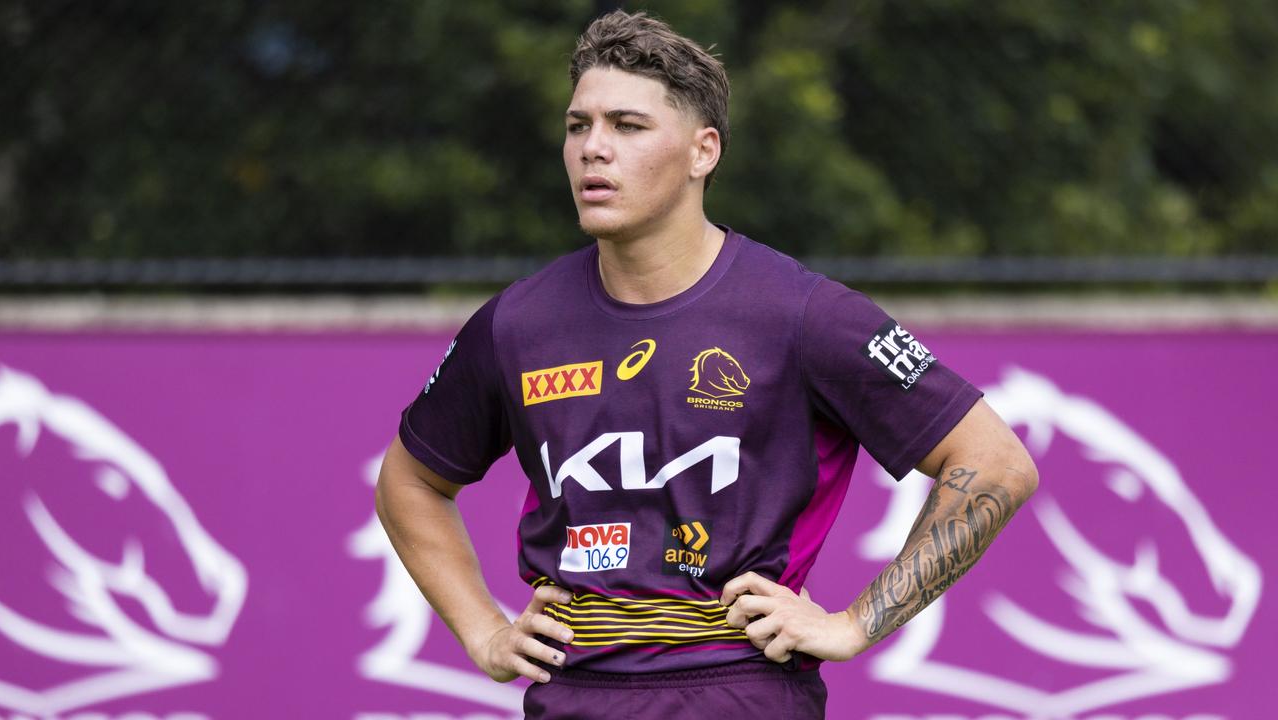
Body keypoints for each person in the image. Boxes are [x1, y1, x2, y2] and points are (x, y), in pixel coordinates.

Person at [376, 10, 1038, 718]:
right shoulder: (516, 324)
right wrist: (482, 631)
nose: (593, 150)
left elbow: (996, 463)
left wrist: (854, 623)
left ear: (703, 152)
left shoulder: (804, 312)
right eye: (579, 127)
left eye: (627, 127)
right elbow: (408, 480)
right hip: (572, 696)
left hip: (742, 692)